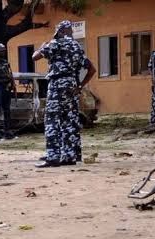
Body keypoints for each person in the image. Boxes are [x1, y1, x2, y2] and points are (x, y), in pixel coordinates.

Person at [33, 21, 94, 167]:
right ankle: (70, 156)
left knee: (52, 120)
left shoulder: (56, 43)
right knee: (70, 120)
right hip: (72, 85)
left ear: (60, 32)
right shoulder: (77, 47)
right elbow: (92, 69)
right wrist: (79, 86)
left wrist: (42, 46)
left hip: (57, 85)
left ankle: (53, 157)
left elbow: (35, 57)